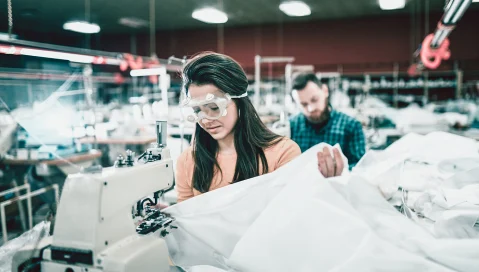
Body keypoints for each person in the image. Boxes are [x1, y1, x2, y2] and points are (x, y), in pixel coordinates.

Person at [176, 52, 301, 202]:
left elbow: (289, 214)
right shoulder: (188, 161)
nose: (206, 120)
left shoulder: (282, 153)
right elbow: (185, 217)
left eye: (214, 108)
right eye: (197, 110)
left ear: (239, 101)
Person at [289, 73, 366, 177]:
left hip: (338, 190)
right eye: (304, 104)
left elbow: (360, 169)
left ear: (325, 91)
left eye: (314, 99)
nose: (311, 108)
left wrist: (341, 171)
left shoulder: (351, 126)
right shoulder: (291, 126)